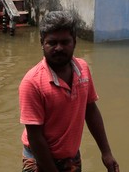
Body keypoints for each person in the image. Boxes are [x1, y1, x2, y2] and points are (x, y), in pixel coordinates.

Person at [19, 11, 120, 172]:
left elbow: (91, 109)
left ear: (74, 42)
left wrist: (106, 153)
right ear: (42, 43)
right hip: (39, 158)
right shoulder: (32, 82)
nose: (59, 48)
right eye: (52, 42)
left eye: (65, 42)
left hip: (71, 155)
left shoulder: (83, 70)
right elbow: (35, 136)